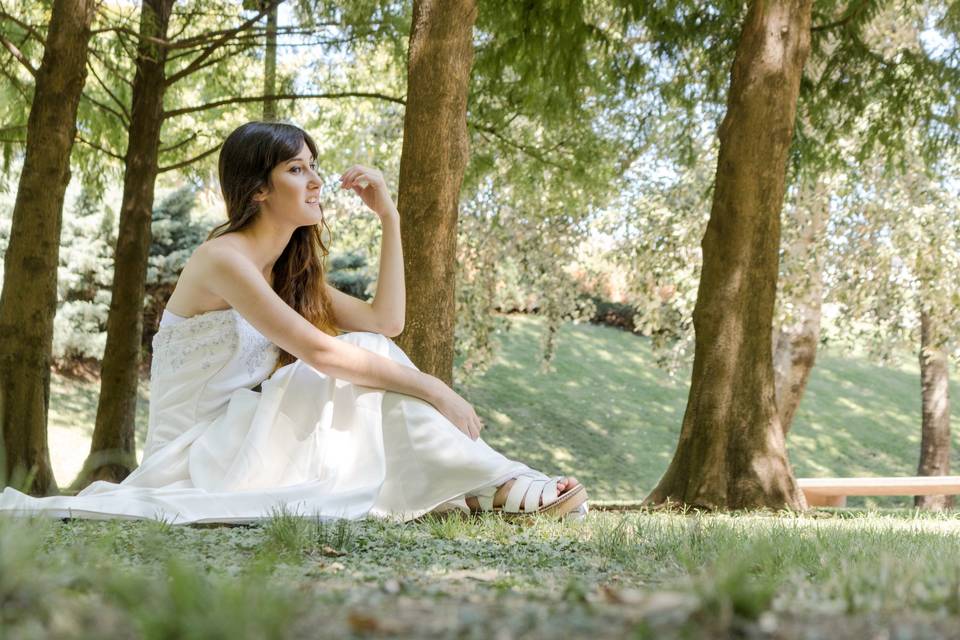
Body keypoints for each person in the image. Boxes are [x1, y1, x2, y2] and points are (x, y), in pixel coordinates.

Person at [0, 121, 587, 525]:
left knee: (363, 344)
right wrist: (437, 387)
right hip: (199, 455)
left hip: (249, 436)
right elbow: (327, 354)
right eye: (297, 168)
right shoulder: (222, 259)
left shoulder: (284, 271)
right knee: (348, 353)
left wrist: (391, 218)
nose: (316, 180)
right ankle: (499, 486)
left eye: (315, 167)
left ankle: (489, 485)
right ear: (258, 189)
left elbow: (389, 321)